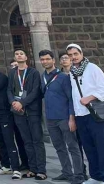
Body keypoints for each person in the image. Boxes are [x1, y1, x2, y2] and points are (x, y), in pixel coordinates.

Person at [66, 43, 104, 184]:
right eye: (70, 55)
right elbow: (74, 96)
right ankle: (96, 176)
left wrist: (90, 97)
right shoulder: (72, 72)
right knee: (89, 147)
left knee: (102, 147)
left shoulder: (92, 68)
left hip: (95, 114)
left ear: (81, 53)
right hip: (80, 116)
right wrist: (73, 117)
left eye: (75, 54)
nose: (73, 57)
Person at [38, 50, 83, 184]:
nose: (45, 61)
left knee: (72, 147)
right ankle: (67, 172)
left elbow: (71, 99)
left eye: (47, 59)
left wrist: (71, 118)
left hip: (64, 118)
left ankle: (79, 174)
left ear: (53, 60)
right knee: (59, 147)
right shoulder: (42, 77)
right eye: (42, 59)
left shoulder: (63, 77)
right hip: (50, 118)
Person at [8, 49, 46, 180]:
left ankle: (41, 170)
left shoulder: (33, 72)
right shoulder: (13, 72)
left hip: (32, 111)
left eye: (21, 54)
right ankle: (32, 168)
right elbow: (9, 90)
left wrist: (22, 103)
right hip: (18, 112)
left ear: (26, 57)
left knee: (37, 140)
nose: (19, 55)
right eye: (17, 54)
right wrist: (13, 102)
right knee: (27, 141)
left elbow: (35, 91)